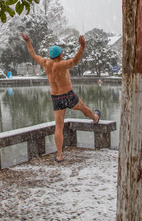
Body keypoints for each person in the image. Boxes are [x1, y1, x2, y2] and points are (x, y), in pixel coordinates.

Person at [21, 33, 101, 163]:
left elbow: (33, 55)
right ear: (60, 55)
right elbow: (75, 60)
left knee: (59, 126)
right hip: (68, 95)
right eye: (62, 53)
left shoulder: (46, 63)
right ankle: (95, 118)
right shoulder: (62, 64)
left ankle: (59, 155)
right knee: (83, 108)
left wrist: (28, 41)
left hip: (56, 98)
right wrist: (82, 46)